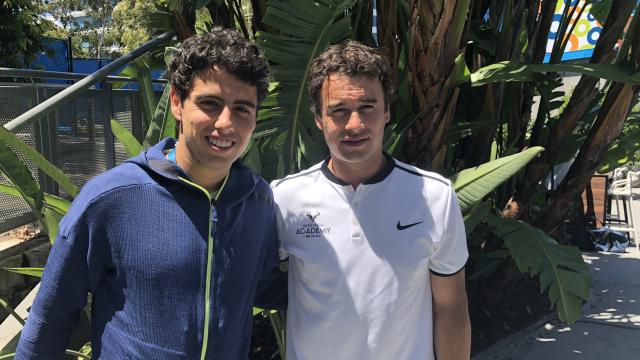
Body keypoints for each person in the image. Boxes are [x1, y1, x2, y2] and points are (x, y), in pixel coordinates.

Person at [16, 27, 286, 359]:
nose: (225, 123)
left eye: (242, 108)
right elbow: (50, 318)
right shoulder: (112, 198)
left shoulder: (256, 201)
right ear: (177, 102)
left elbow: (267, 287)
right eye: (210, 103)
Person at [271, 41, 471, 360]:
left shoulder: (434, 197)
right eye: (338, 111)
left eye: (368, 107)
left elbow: (450, 307)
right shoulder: (286, 198)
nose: (355, 125)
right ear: (318, 118)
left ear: (387, 111)